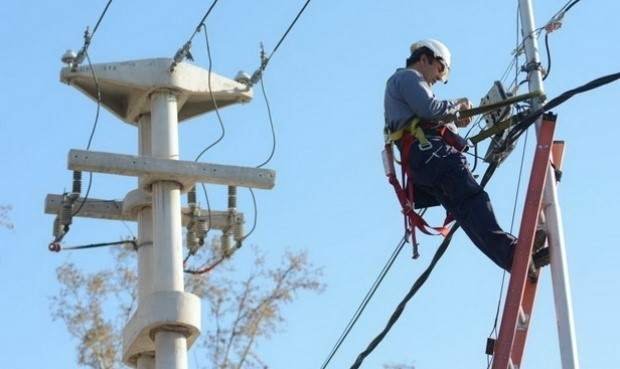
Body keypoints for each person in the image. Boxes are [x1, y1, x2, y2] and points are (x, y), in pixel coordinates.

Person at [383, 39, 517, 271]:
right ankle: (511, 250)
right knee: (475, 200)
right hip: (432, 155)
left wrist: (454, 121)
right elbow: (430, 109)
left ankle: (509, 256)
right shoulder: (408, 78)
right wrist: (458, 106)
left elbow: (429, 116)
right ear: (425, 58)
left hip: (423, 161)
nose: (439, 78)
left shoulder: (400, 88)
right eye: (440, 69)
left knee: (467, 213)